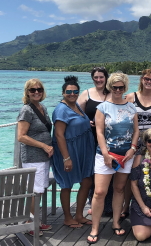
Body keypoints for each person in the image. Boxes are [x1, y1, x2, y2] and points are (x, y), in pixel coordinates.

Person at [88, 72, 139, 244]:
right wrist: (105, 154)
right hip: (105, 155)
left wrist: (133, 148)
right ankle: (95, 228)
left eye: (121, 87)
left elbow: (136, 130)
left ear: (125, 87)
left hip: (126, 155)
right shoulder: (102, 107)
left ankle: (116, 222)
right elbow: (99, 132)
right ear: (110, 87)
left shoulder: (132, 107)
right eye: (115, 87)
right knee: (100, 191)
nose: (118, 90)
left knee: (119, 189)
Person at [122, 69, 151, 218]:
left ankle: (149, 204)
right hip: (134, 144)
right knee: (132, 176)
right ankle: (126, 206)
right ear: (142, 79)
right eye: (147, 79)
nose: (149, 82)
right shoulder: (130, 97)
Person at [52, 76, 95, 228]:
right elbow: (58, 135)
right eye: (68, 92)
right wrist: (66, 158)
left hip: (82, 150)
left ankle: (79, 215)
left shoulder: (76, 106)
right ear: (63, 93)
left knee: (87, 181)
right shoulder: (61, 109)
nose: (72, 94)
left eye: (75, 91)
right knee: (67, 184)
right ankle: (67, 217)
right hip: (68, 151)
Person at [17, 78, 53, 235]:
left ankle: (35, 221)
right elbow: (21, 136)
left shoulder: (42, 107)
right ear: (27, 92)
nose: (36, 92)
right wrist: (44, 145)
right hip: (33, 157)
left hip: (43, 157)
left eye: (39, 89)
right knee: (34, 191)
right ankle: (30, 224)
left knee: (39, 190)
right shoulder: (26, 110)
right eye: (33, 90)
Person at [78, 67, 113, 216]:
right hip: (90, 139)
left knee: (110, 170)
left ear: (106, 78)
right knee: (92, 171)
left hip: (110, 138)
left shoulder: (113, 93)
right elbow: (76, 113)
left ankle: (109, 204)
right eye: (96, 77)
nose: (98, 80)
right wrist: (86, 122)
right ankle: (92, 202)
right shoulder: (86, 93)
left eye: (101, 77)